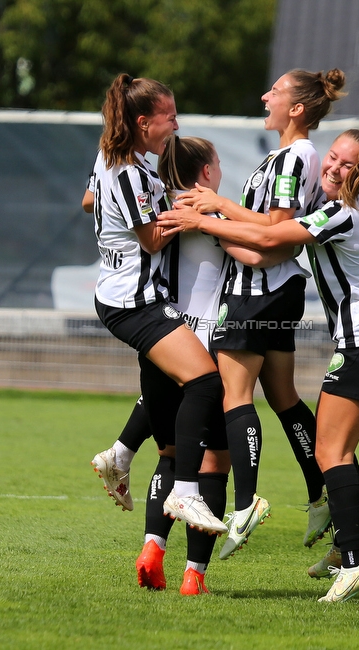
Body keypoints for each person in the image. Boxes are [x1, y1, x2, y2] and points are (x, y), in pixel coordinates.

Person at [160, 128, 359, 602]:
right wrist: (217, 205)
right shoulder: (338, 208)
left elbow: (269, 235)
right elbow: (263, 225)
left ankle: (356, 563)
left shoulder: (339, 213)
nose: (333, 169)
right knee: (332, 450)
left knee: (330, 453)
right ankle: (344, 550)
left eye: (346, 166)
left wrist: (205, 220)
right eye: (333, 159)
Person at [90, 135, 282, 594]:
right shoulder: (207, 214)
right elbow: (256, 252)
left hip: (159, 338)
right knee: (212, 463)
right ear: (208, 172)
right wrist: (285, 245)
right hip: (201, 345)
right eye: (217, 163)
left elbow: (95, 202)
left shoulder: (156, 207)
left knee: (172, 455)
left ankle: (152, 547)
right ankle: (193, 576)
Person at [173, 69, 346, 560]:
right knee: (285, 397)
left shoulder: (297, 156)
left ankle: (246, 503)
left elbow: (276, 229)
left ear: (296, 109)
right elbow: (269, 237)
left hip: (257, 292)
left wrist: (213, 213)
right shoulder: (288, 155)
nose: (265, 94)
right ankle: (321, 495)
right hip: (275, 287)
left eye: (275, 91)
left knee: (234, 396)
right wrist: (222, 220)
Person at [87, 73, 227, 541]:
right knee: (205, 380)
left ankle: (120, 457)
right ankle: (184, 490)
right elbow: (150, 241)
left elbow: (89, 200)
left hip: (128, 297)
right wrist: (193, 215)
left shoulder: (111, 158)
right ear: (144, 122)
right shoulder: (128, 170)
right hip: (135, 302)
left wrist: (139, 207)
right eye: (169, 117)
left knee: (168, 390)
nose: (176, 124)